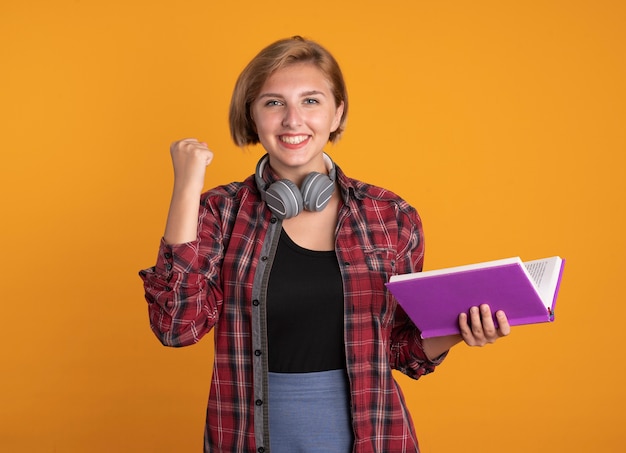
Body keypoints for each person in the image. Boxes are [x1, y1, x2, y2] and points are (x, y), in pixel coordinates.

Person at [139, 36, 510, 453]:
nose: (293, 120)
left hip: (372, 438)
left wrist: (460, 331)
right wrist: (187, 187)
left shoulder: (390, 216)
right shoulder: (220, 212)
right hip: (246, 438)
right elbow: (176, 327)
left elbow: (398, 348)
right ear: (253, 117)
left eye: (311, 101)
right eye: (274, 103)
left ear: (337, 113)